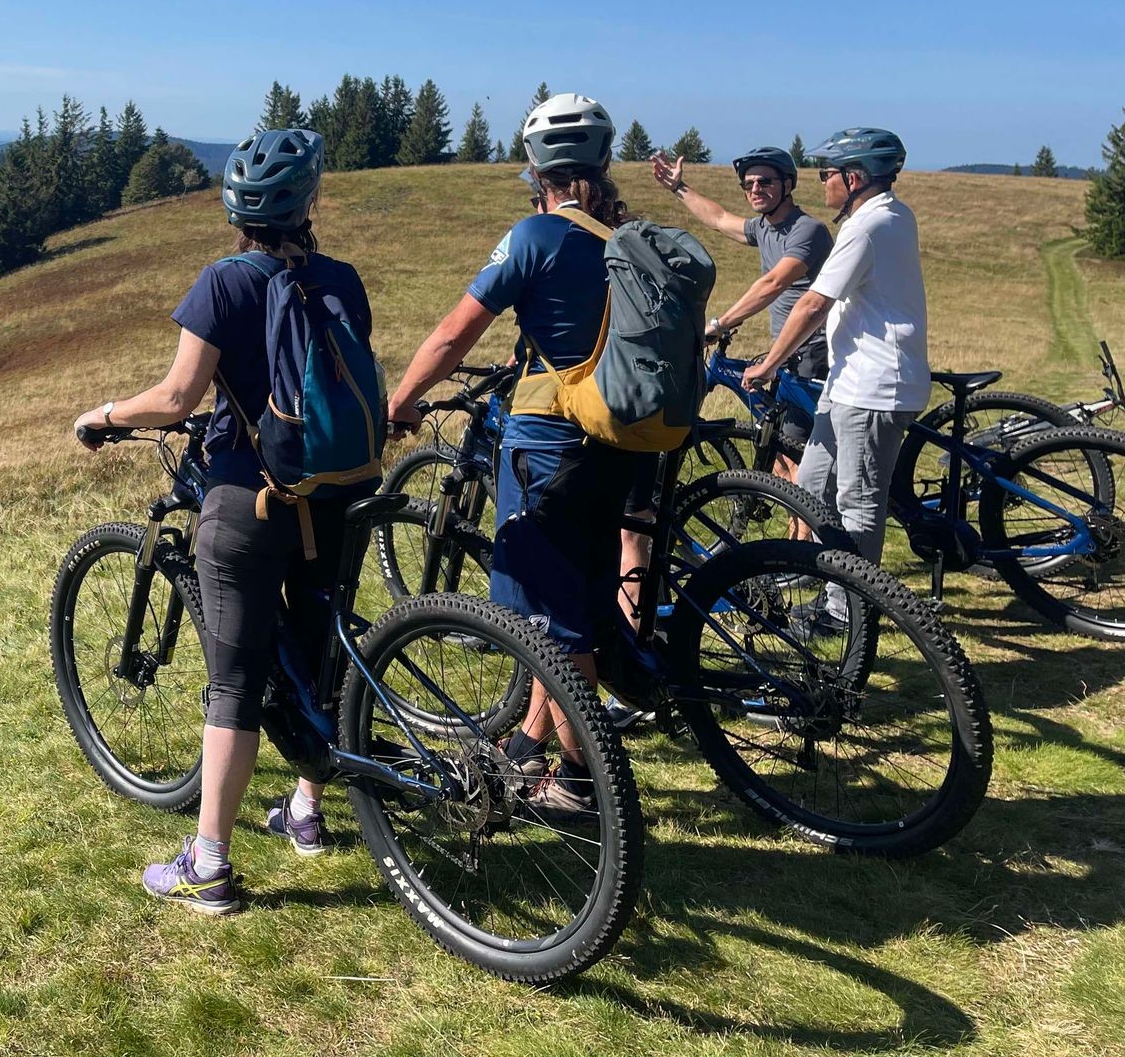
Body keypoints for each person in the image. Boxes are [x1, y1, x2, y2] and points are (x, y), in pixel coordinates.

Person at [72, 127, 376, 914]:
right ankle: (306, 810)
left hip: (251, 499)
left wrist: (106, 414)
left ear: (235, 209)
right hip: (337, 490)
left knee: (234, 683)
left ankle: (208, 864)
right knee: (318, 640)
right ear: (309, 203)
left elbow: (178, 400)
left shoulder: (224, 282)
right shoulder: (342, 277)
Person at [387, 93, 653, 810]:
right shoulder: (625, 239)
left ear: (536, 168)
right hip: (615, 446)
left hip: (550, 451)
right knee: (566, 611)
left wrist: (401, 401)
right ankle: (531, 749)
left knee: (554, 627)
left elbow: (452, 334)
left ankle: (578, 782)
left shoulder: (537, 237)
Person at [740, 128, 926, 630]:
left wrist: (770, 361)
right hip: (848, 383)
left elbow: (813, 302)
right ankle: (830, 589)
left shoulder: (867, 227)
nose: (821, 183)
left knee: (858, 504)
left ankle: (849, 615)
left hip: (874, 387)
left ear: (854, 177)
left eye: (827, 174)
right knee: (813, 488)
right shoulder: (891, 215)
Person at [652, 144, 833, 480]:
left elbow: (773, 283)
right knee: (781, 453)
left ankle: (806, 531)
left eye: (764, 182)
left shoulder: (808, 230)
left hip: (812, 352)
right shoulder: (764, 228)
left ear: (788, 185)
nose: (755, 189)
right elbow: (720, 219)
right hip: (786, 351)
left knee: (795, 460)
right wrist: (679, 187)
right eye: (748, 184)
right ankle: (800, 528)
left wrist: (720, 324)